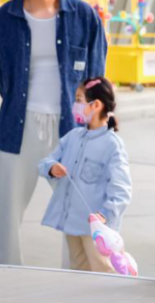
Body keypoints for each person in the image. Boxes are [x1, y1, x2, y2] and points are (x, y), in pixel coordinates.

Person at [0, 0, 107, 266]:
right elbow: (1, 75)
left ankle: (77, 276)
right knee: (7, 210)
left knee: (79, 209)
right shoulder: (3, 19)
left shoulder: (83, 16)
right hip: (18, 126)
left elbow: (95, 77)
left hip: (71, 128)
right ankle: (4, 275)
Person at [38, 77, 131, 273]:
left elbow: (121, 190)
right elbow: (45, 162)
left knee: (102, 272)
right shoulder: (73, 137)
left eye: (79, 100)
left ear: (96, 105)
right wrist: (52, 167)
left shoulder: (112, 145)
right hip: (72, 223)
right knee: (77, 272)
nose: (75, 105)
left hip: (97, 230)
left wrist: (105, 215)